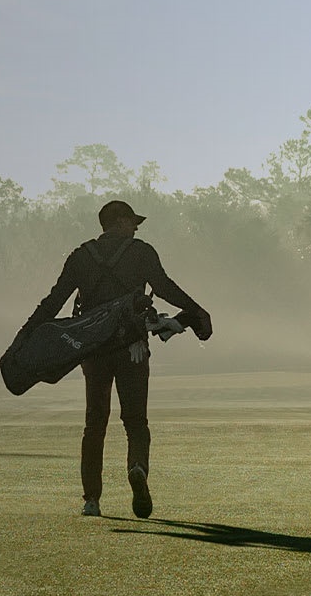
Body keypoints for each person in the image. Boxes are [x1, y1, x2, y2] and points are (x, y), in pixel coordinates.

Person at [25, 200, 210, 517]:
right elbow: (164, 287)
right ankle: (137, 467)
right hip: (132, 348)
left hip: (94, 351)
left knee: (94, 423)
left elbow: (53, 302)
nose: (136, 227)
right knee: (136, 421)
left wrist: (25, 336)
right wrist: (197, 310)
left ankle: (92, 500)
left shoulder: (81, 256)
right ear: (119, 222)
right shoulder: (142, 252)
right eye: (132, 221)